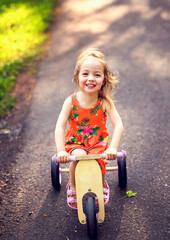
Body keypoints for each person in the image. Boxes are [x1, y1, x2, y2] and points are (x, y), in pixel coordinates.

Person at [54, 47, 124, 209]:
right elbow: (59, 126)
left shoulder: (104, 102)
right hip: (76, 143)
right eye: (85, 74)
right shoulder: (70, 101)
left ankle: (101, 185)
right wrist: (61, 151)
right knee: (79, 157)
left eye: (97, 75)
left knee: (97, 159)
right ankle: (73, 187)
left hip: (97, 144)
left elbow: (119, 125)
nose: (91, 78)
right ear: (77, 77)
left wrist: (113, 148)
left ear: (104, 80)